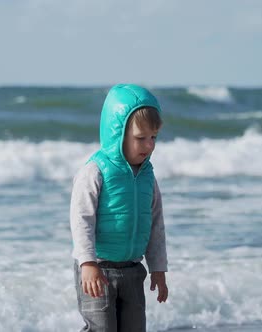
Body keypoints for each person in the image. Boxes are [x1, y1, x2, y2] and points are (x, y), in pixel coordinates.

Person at [70, 84, 169, 332]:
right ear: (118, 133)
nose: (148, 146)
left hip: (133, 271)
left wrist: (158, 268)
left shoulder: (148, 176)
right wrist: (87, 263)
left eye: (153, 137)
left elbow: (155, 223)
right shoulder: (95, 171)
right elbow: (81, 219)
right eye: (140, 138)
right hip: (98, 269)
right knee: (100, 328)